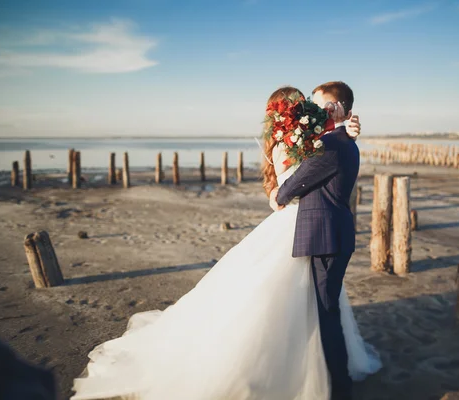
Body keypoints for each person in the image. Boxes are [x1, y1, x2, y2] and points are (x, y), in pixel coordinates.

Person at [70, 85, 380, 400]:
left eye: (316, 105)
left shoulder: (325, 142)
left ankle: (328, 379)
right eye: (305, 106)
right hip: (306, 227)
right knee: (297, 302)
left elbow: (312, 171)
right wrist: (285, 186)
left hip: (315, 230)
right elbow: (297, 180)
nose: (312, 111)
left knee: (314, 306)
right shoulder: (302, 144)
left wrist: (346, 129)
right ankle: (321, 378)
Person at [270, 81, 364, 400]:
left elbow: (298, 181)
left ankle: (340, 388)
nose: (312, 109)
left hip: (327, 237)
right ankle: (334, 379)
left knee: (327, 315)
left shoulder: (333, 144)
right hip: (333, 235)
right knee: (327, 310)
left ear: (334, 108)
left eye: (318, 104)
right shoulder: (341, 140)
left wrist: (279, 196)